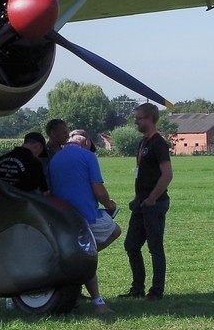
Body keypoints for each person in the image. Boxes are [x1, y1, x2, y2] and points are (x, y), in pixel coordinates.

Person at [49, 133, 120, 315]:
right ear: (87, 143)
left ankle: (79, 267)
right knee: (115, 231)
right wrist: (108, 204)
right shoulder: (88, 156)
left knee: (83, 253)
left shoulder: (56, 157)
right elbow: (98, 189)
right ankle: (96, 299)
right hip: (86, 216)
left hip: (62, 216)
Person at [121, 102, 173, 302]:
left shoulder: (158, 143)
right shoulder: (143, 143)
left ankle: (156, 291)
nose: (136, 120)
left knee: (155, 247)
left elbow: (167, 174)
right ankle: (137, 288)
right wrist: (138, 198)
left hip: (154, 204)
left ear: (150, 119)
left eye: (139, 117)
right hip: (141, 204)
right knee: (131, 245)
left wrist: (152, 198)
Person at [41, 118, 69, 191]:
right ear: (53, 133)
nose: (67, 136)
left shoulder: (65, 153)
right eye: (64, 133)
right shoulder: (43, 154)